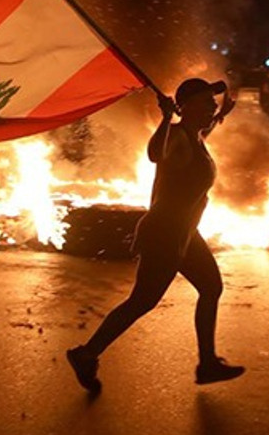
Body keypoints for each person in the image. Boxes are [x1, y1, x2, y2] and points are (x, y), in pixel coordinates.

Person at [65, 78, 245, 393]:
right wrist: (165, 118)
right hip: (164, 232)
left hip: (185, 233)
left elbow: (203, 128)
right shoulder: (176, 136)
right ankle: (86, 353)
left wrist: (221, 116)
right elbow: (153, 154)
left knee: (211, 287)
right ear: (185, 107)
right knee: (142, 301)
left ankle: (207, 363)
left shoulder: (195, 136)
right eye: (207, 102)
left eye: (213, 104)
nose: (212, 107)